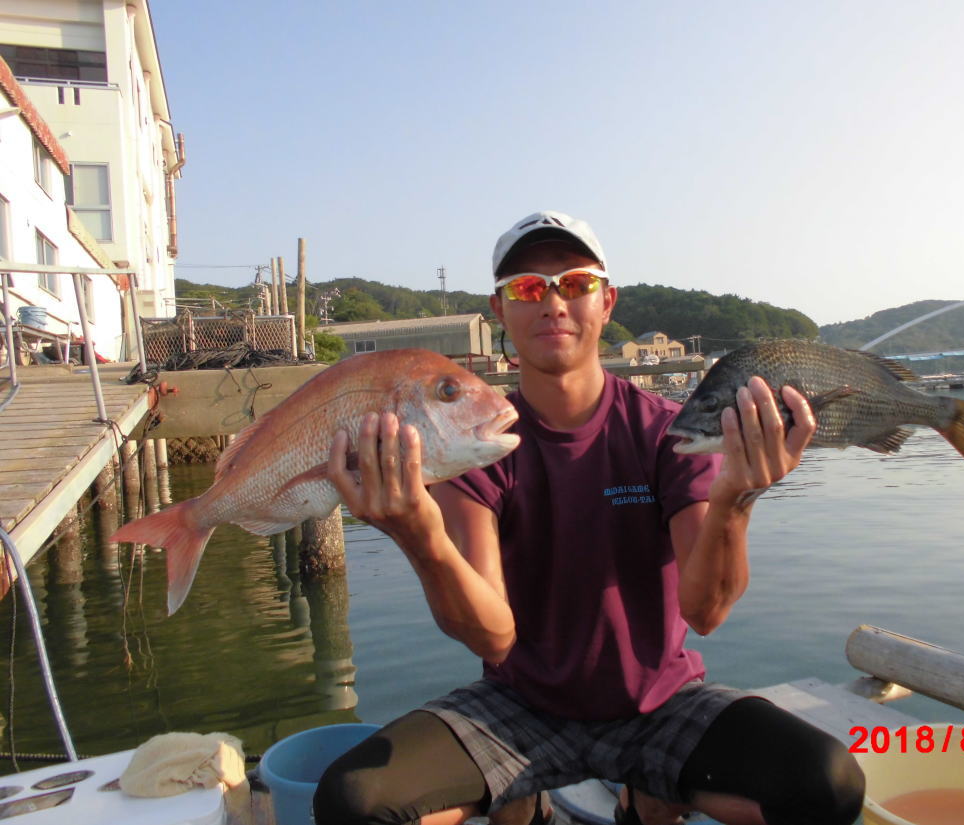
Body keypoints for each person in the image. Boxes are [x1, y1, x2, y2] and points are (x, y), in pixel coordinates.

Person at [315, 211, 865, 825]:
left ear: (606, 303)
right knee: (352, 804)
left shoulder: (667, 432)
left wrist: (738, 496)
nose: (553, 303)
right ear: (499, 311)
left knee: (827, 785)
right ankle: (526, 806)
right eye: (528, 288)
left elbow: (706, 613)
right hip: (516, 706)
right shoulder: (473, 442)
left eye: (575, 284)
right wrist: (420, 535)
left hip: (659, 702)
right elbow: (493, 637)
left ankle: (645, 797)